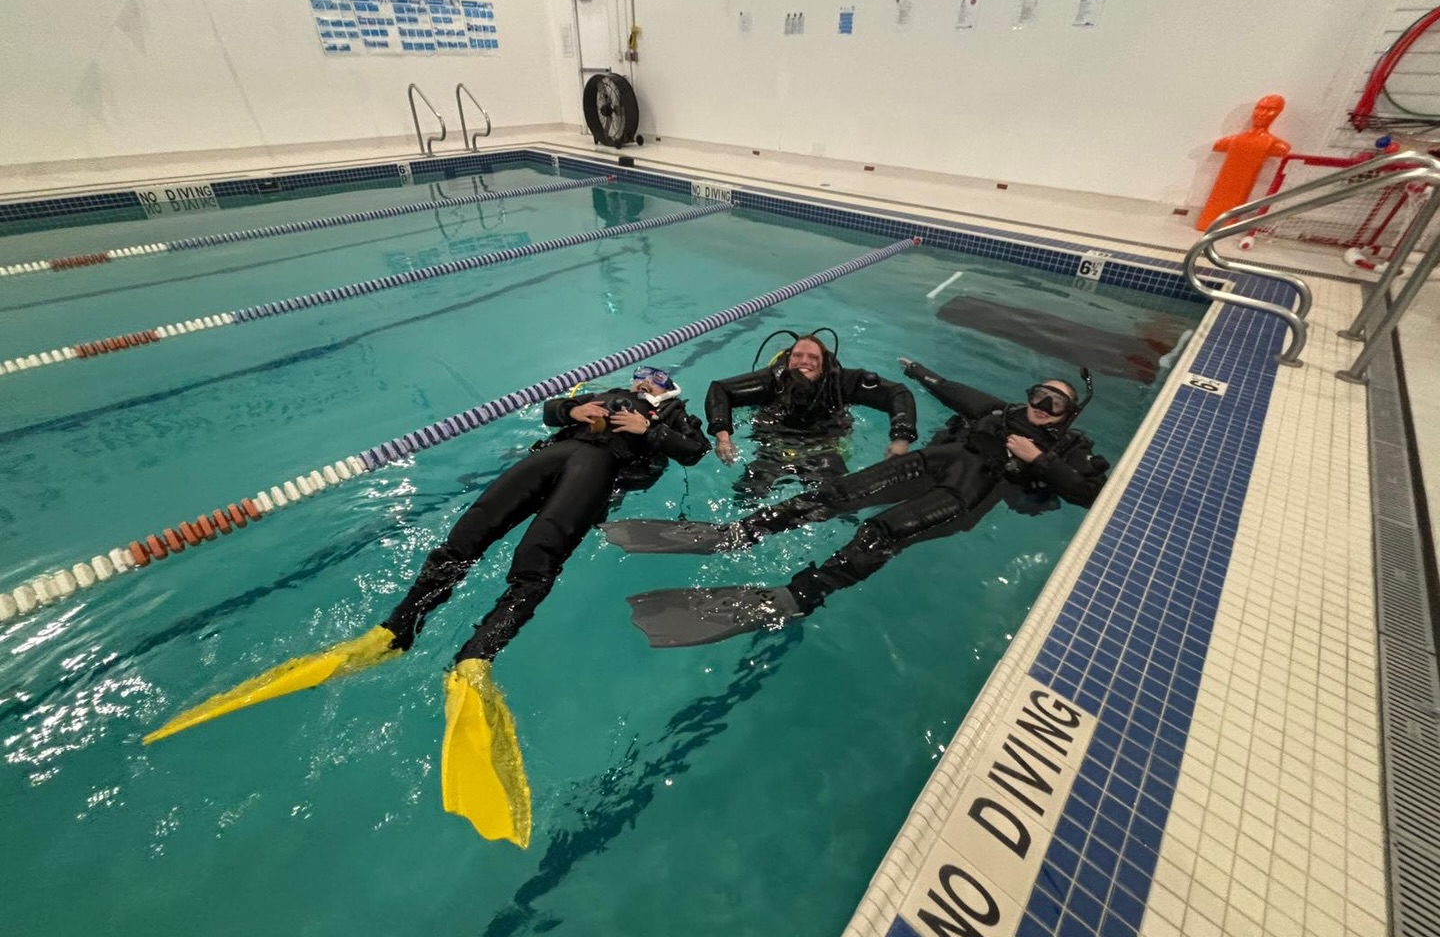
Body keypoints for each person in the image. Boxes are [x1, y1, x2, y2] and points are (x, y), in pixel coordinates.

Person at [144, 366, 709, 848]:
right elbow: (547, 411)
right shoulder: (599, 393)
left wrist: (650, 428)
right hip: (557, 453)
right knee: (466, 537)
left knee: (536, 559)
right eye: (639, 378)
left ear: (668, 390)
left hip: (596, 472)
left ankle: (475, 658)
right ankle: (395, 633)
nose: (641, 381)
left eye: (653, 381)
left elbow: (694, 451)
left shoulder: (671, 417)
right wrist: (572, 409)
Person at [602, 361, 1109, 648]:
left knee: (881, 533)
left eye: (1055, 404)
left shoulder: (1070, 450)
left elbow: (1092, 494)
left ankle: (800, 595)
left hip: (966, 492)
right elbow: (954, 391)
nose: (1041, 407)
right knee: (832, 494)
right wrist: (919, 373)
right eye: (1039, 394)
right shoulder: (999, 413)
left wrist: (1039, 460)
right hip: (936, 461)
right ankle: (742, 532)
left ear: (1068, 415)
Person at [706, 329, 917, 499]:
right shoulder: (771, 381)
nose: (804, 361)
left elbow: (896, 393)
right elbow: (720, 389)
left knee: (837, 499)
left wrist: (901, 439)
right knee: (748, 494)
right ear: (789, 360)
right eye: (798, 355)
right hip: (774, 445)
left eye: (812, 357)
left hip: (823, 449)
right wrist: (723, 436)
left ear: (824, 363)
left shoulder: (841, 382)